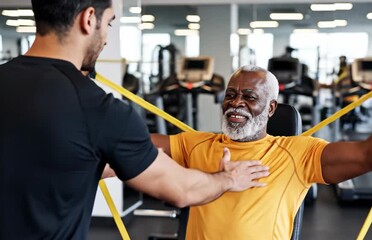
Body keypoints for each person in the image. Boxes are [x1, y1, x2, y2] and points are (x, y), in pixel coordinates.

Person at [0, 1, 270, 239]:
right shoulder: (100, 110)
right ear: (89, 18)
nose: (106, 39)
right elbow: (182, 190)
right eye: (109, 23)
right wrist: (229, 179)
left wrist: (125, 159)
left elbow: (46, 162)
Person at [151, 52, 372, 239]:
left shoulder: (297, 153)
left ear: (271, 108)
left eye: (249, 96)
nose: (236, 103)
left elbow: (371, 156)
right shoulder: (194, 144)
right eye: (231, 95)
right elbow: (128, 147)